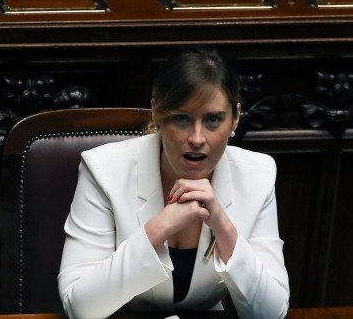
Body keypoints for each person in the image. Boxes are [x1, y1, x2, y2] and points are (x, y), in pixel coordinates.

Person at [57, 47, 290, 319]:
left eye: (213, 119)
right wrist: (159, 228)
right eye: (181, 118)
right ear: (157, 113)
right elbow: (79, 308)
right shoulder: (103, 170)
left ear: (235, 117)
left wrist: (223, 226)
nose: (197, 138)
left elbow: (272, 313)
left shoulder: (257, 174)